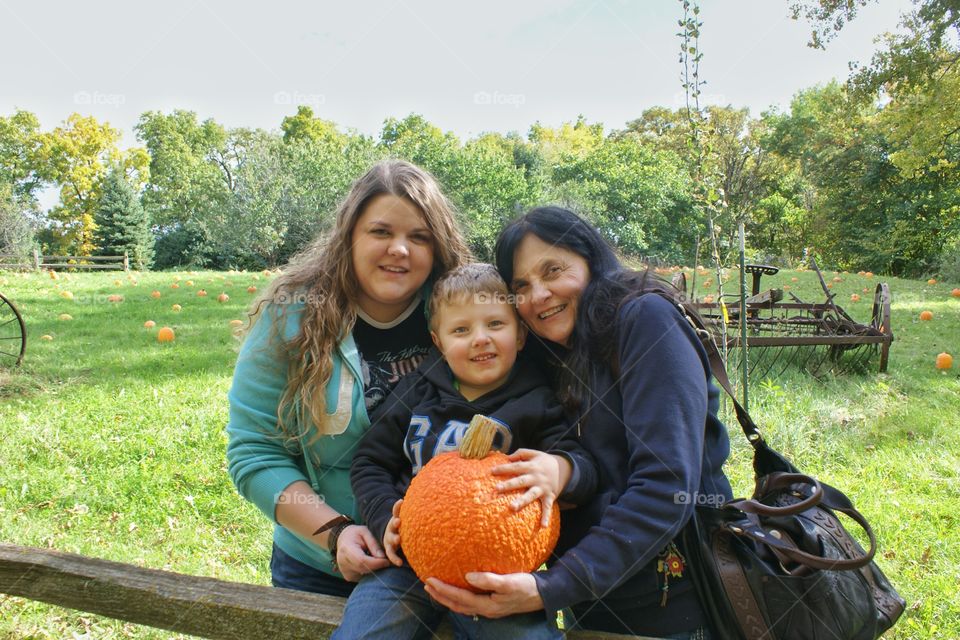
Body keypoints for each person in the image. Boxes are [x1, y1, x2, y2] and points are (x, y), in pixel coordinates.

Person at [424, 207, 734, 640]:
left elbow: (666, 487)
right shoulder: (555, 351)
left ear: (590, 259)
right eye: (522, 286)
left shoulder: (644, 320)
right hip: (590, 600)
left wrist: (550, 587)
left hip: (670, 607)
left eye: (553, 270)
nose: (540, 295)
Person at [226, 159, 472, 598]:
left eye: (419, 237)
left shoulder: (465, 316)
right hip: (321, 565)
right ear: (350, 237)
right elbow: (254, 452)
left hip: (448, 564)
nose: (400, 249)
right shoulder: (291, 318)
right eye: (381, 232)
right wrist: (334, 532)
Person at [336, 263, 597, 639]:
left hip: (499, 577)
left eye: (495, 324)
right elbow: (369, 462)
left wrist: (559, 470)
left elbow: (586, 468)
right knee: (364, 633)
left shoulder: (538, 403)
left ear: (520, 334)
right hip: (409, 565)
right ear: (438, 342)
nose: (480, 339)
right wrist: (384, 522)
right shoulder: (416, 393)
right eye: (461, 330)